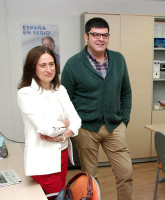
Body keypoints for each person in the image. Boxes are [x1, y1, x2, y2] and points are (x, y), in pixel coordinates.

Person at [61, 17, 132, 200]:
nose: (101, 39)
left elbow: (126, 92)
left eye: (105, 35)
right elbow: (64, 100)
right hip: (86, 129)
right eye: (96, 34)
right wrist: (74, 124)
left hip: (114, 126)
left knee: (125, 174)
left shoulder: (118, 59)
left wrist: (124, 120)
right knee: (90, 179)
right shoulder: (73, 64)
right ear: (87, 36)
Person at [17, 46, 81, 200]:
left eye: (51, 64)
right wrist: (66, 123)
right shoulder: (26, 93)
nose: (49, 69)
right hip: (43, 159)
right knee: (54, 196)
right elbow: (46, 129)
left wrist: (61, 135)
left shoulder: (60, 89)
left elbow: (77, 120)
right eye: (43, 65)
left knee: (60, 195)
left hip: (63, 153)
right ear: (33, 68)